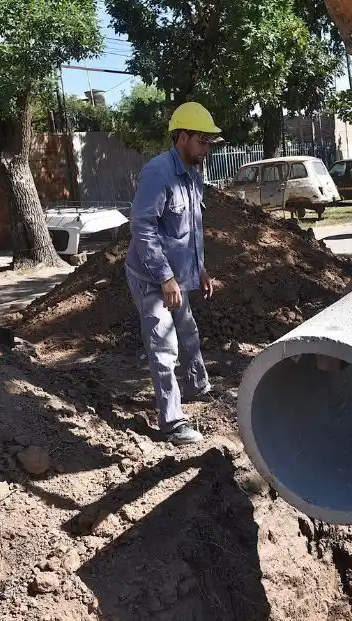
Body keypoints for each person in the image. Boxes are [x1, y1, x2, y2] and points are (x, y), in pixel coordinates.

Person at [124, 101, 222, 446]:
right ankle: (171, 421)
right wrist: (165, 278)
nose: (208, 149)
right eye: (203, 141)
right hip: (152, 276)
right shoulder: (158, 173)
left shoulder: (193, 172)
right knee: (163, 344)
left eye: (211, 142)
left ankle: (198, 387)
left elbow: (190, 227)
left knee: (189, 333)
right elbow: (143, 228)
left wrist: (201, 269)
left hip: (178, 274)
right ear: (182, 137)